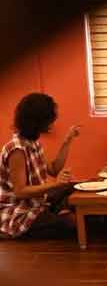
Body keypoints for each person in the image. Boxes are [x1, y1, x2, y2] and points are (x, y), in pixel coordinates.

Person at [0, 92, 80, 239]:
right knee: (73, 224)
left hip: (37, 201)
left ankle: (55, 212)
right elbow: (20, 192)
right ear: (37, 121)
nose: (52, 124)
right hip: (19, 211)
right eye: (50, 120)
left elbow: (54, 169)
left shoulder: (32, 142)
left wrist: (68, 141)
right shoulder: (16, 149)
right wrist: (56, 185)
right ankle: (51, 217)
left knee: (75, 187)